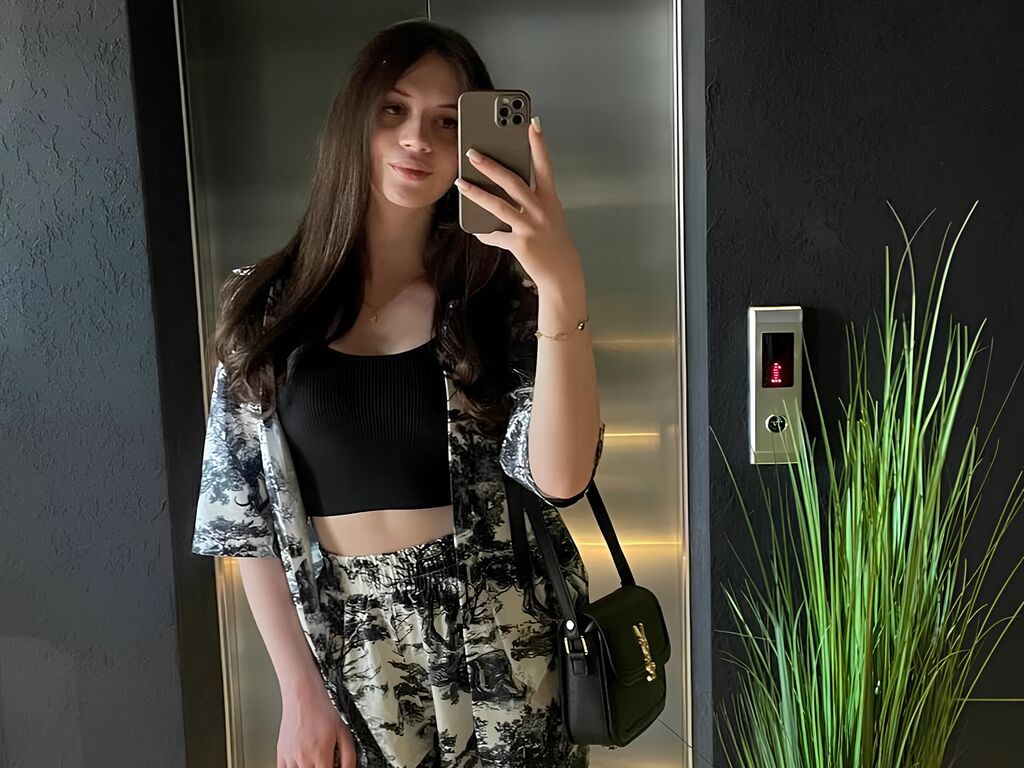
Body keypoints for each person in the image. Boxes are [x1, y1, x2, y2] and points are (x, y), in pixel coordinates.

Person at [191, 18, 604, 768]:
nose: (417, 138)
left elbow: (562, 478)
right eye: (394, 109)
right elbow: (242, 520)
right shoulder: (265, 308)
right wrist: (299, 693)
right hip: (353, 660)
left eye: (447, 122)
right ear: (355, 117)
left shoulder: (498, 301)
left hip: (505, 649)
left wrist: (560, 283)